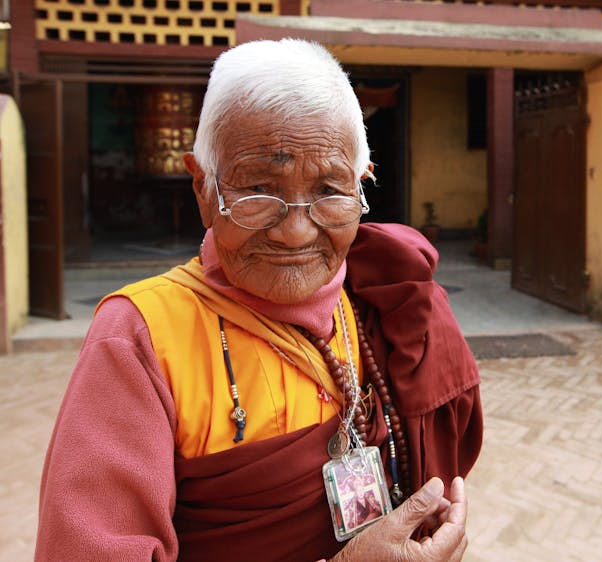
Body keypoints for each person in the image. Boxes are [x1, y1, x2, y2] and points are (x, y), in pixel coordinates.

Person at [35, 39, 482, 561]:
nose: (295, 232)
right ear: (204, 189)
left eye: (329, 191)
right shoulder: (142, 337)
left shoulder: (381, 296)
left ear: (361, 187)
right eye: (257, 191)